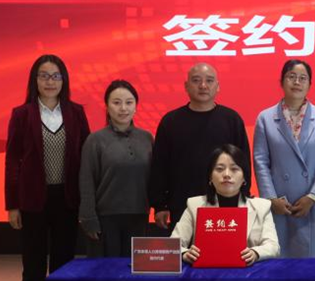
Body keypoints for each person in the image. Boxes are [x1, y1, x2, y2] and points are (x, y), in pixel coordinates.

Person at [4, 54, 91, 281]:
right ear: (35, 80)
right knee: (33, 269)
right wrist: (12, 204)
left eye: (56, 76)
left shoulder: (76, 113)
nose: (50, 81)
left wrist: (86, 202)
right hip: (33, 202)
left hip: (67, 201)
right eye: (44, 75)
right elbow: (12, 161)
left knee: (63, 267)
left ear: (64, 80)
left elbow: (86, 159)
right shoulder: (22, 114)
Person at [148, 63, 250, 230]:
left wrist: (244, 197)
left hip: (225, 203)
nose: (203, 85)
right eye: (196, 80)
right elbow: (160, 166)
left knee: (222, 246)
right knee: (185, 246)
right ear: (186, 86)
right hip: (181, 204)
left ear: (218, 86)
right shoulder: (171, 121)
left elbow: (243, 163)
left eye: (209, 81)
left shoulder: (232, 119)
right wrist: (160, 205)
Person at [252, 60, 315, 257]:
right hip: (280, 203)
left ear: (310, 84)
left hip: (312, 204)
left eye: (302, 78)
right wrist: (271, 198)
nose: (297, 82)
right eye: (291, 77)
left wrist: (312, 197)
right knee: (279, 260)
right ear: (281, 81)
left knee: (314, 265)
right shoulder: (265, 118)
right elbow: (260, 161)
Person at [79, 79, 153, 258]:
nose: (123, 108)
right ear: (107, 107)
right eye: (116, 103)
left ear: (136, 106)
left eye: (129, 102)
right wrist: (88, 217)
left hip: (139, 216)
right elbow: (87, 181)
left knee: (133, 269)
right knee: (105, 271)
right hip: (105, 218)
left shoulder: (147, 138)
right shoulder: (95, 140)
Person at [172, 145, 280, 264]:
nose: (227, 174)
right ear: (210, 177)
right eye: (219, 169)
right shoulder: (195, 205)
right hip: (206, 273)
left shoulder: (262, 207)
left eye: (234, 169)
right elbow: (172, 244)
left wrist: (255, 253)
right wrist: (185, 253)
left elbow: (273, 246)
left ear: (244, 177)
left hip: (248, 273)